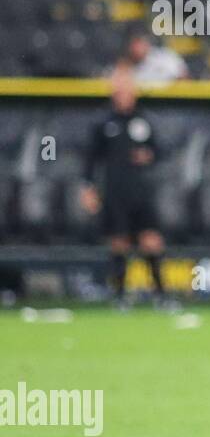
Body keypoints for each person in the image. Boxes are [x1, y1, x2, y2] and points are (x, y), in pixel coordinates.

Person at [80, 66, 171, 309]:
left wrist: (149, 155)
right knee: (119, 242)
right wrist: (88, 188)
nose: (124, 93)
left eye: (127, 88)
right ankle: (120, 295)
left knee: (151, 240)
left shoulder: (144, 120)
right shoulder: (103, 122)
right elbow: (90, 159)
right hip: (114, 192)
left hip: (141, 191)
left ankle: (161, 295)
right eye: (120, 88)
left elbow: (160, 151)